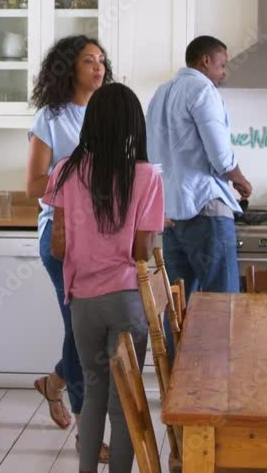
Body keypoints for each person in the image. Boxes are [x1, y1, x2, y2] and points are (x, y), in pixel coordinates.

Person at [43, 83, 164, 473]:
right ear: (134, 126)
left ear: (91, 122)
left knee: (94, 392)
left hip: (84, 303)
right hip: (127, 302)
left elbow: (58, 247)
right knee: (123, 399)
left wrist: (88, 244)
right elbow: (141, 253)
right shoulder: (147, 177)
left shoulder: (66, 170)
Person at [25, 35, 113, 460]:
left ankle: (55, 383)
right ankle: (85, 433)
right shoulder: (51, 118)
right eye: (87, 60)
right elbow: (33, 186)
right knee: (82, 333)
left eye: (101, 60)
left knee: (86, 331)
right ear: (68, 68)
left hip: (101, 239)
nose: (97, 67)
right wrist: (76, 179)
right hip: (60, 238)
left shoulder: (108, 114)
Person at [146, 35, 252, 299]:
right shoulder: (204, 90)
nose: (224, 73)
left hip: (171, 215)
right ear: (205, 61)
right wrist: (241, 180)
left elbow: (151, 153)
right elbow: (221, 157)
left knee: (177, 306)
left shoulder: (161, 93)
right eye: (222, 65)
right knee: (223, 303)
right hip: (205, 210)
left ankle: (175, 345)